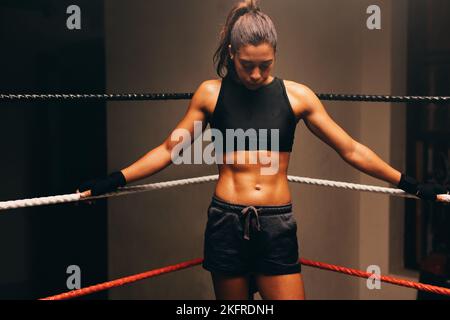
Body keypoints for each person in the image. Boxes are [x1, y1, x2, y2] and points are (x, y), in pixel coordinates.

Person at [77, 0, 449, 300]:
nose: (255, 75)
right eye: (246, 65)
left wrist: (411, 183)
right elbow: (167, 150)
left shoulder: (298, 96)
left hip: (275, 225)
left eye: (265, 65)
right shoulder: (210, 94)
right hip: (225, 222)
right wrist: (115, 179)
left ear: (275, 55)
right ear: (231, 52)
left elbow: (351, 150)